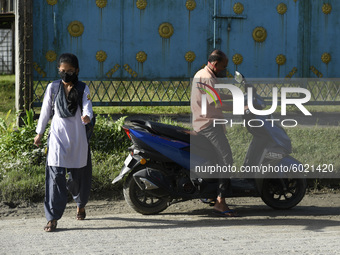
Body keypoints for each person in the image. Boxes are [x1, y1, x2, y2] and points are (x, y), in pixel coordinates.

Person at [34, 53, 94, 232]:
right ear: (58, 71)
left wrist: (86, 116)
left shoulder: (84, 88)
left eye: (69, 70)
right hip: (57, 138)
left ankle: (80, 204)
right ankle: (52, 218)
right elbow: (45, 111)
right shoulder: (53, 87)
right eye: (62, 71)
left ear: (76, 70)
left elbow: (87, 106)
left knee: (78, 178)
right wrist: (39, 133)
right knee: (55, 178)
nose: (66, 73)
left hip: (77, 138)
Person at [191, 49, 238, 217]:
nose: (224, 70)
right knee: (226, 159)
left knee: (216, 159)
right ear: (216, 64)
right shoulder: (208, 77)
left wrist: (235, 95)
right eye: (223, 67)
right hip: (209, 125)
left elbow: (214, 95)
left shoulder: (202, 73)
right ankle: (220, 202)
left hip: (202, 123)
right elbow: (217, 103)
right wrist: (243, 107)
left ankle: (211, 194)